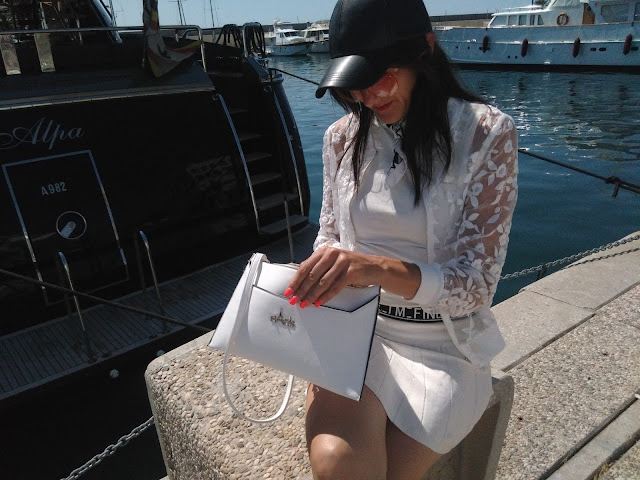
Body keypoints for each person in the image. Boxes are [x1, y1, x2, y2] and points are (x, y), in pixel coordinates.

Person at [284, 0, 518, 478]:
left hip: (443, 346)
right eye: (354, 84)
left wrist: (373, 269)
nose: (368, 96)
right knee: (337, 464)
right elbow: (329, 234)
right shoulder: (339, 139)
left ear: (425, 50)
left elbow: (476, 285)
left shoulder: (486, 133)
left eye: (382, 76)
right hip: (355, 331)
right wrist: (322, 266)